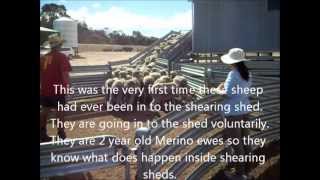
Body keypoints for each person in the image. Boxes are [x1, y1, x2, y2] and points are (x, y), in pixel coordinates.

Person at [214, 48, 252, 180]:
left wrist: (217, 89)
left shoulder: (233, 74)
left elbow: (228, 94)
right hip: (245, 110)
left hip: (234, 112)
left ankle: (239, 174)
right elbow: (241, 91)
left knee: (237, 144)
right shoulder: (247, 73)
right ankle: (247, 169)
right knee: (245, 140)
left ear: (233, 62)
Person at [40, 33, 72, 142]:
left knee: (44, 111)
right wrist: (67, 88)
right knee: (60, 112)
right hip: (57, 90)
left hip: (45, 90)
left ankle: (42, 132)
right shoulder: (62, 57)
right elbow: (65, 74)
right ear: (59, 46)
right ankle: (61, 134)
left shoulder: (43, 57)